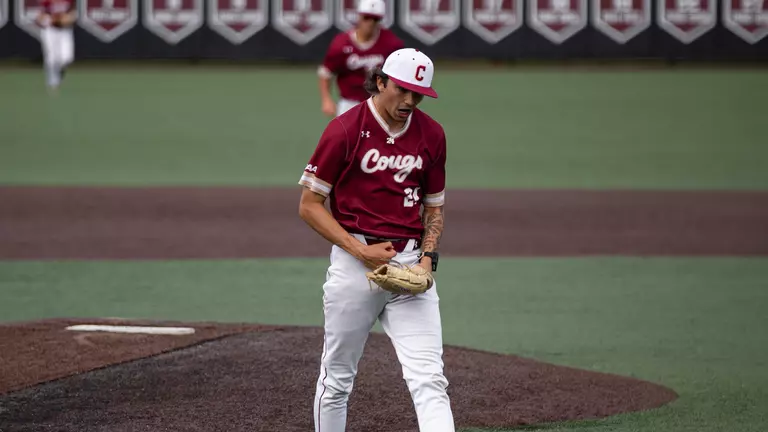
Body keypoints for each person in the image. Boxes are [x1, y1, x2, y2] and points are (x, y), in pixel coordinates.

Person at [299, 48, 454, 432]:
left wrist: (426, 260)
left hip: (409, 266)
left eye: (419, 94)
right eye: (402, 90)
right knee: (336, 380)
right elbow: (309, 205)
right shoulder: (345, 130)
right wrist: (358, 250)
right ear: (380, 81)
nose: (410, 101)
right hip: (355, 266)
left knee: (430, 380)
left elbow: (434, 209)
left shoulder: (432, 134)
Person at [317, 0, 404, 117]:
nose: (370, 23)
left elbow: (400, 73)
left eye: (375, 19)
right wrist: (326, 99)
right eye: (367, 17)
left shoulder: (391, 43)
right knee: (346, 134)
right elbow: (325, 73)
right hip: (349, 102)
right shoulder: (341, 44)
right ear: (359, 16)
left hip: (380, 100)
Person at [36, 0, 76, 92]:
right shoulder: (46, 1)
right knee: (52, 57)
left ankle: (60, 72)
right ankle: (52, 82)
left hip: (65, 31)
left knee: (67, 58)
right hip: (50, 31)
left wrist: (68, 18)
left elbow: (72, 13)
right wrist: (51, 19)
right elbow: (40, 16)